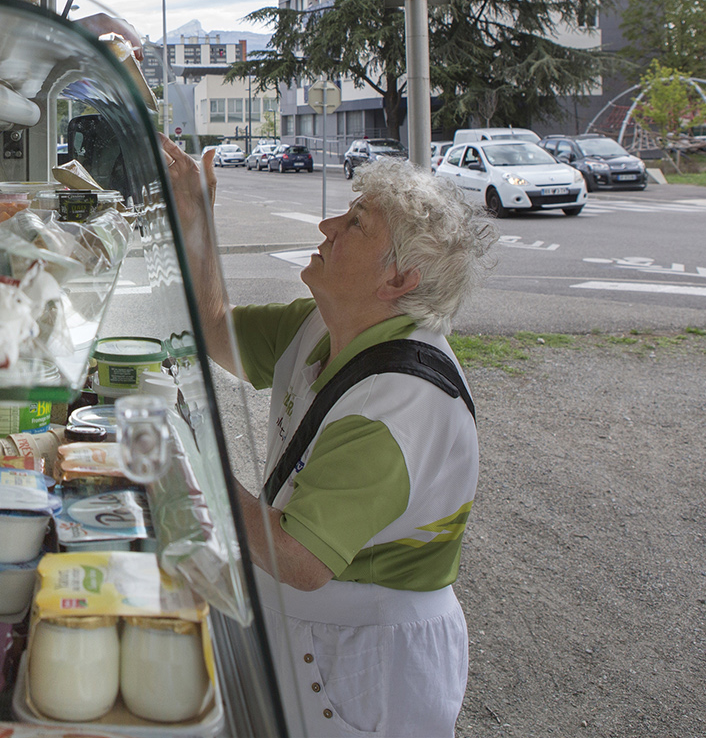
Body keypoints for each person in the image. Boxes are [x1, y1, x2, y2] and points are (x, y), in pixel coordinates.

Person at [161, 137, 495, 737]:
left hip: (367, 665)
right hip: (310, 634)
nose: (326, 223)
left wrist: (190, 462)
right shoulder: (325, 323)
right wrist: (196, 219)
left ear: (398, 277)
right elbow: (215, 328)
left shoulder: (396, 406)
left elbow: (300, 557)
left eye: (355, 222)